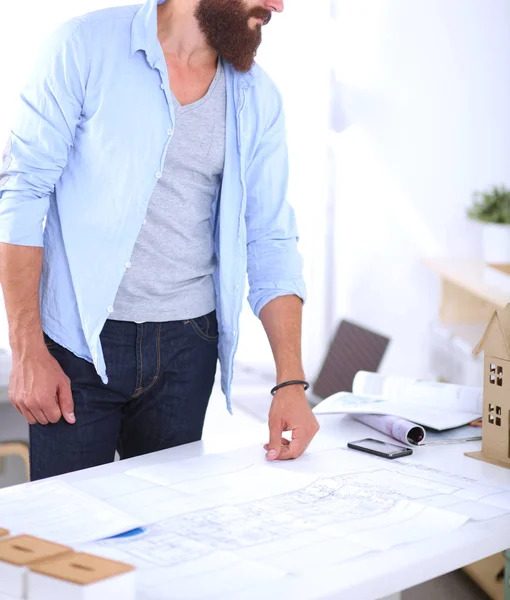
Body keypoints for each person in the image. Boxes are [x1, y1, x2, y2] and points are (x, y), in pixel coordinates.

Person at [0, 0, 319, 481]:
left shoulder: (258, 96)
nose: (277, 4)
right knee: (68, 535)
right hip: (78, 345)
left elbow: (270, 236)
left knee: (168, 534)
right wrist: (26, 351)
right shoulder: (85, 46)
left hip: (187, 348)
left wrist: (289, 381)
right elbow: (21, 194)